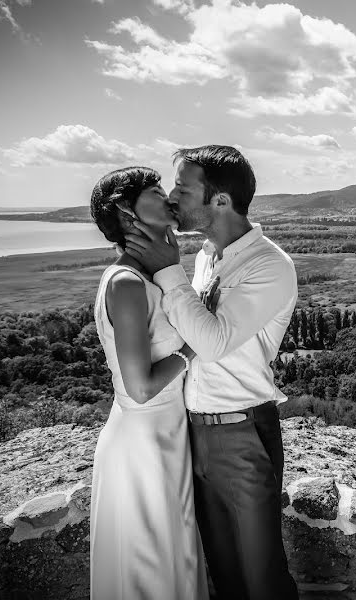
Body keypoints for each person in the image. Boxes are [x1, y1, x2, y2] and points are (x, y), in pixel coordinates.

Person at [124, 145, 300, 600]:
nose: (172, 198)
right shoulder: (205, 257)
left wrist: (167, 271)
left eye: (183, 188)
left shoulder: (269, 265)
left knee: (263, 578)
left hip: (242, 432)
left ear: (220, 201)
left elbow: (213, 342)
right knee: (224, 573)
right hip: (193, 433)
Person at [88, 167, 208, 600]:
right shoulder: (125, 283)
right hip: (142, 442)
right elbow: (139, 387)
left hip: (167, 434)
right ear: (126, 211)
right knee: (151, 567)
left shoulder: (150, 274)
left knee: (172, 560)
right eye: (157, 193)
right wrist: (191, 349)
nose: (169, 199)